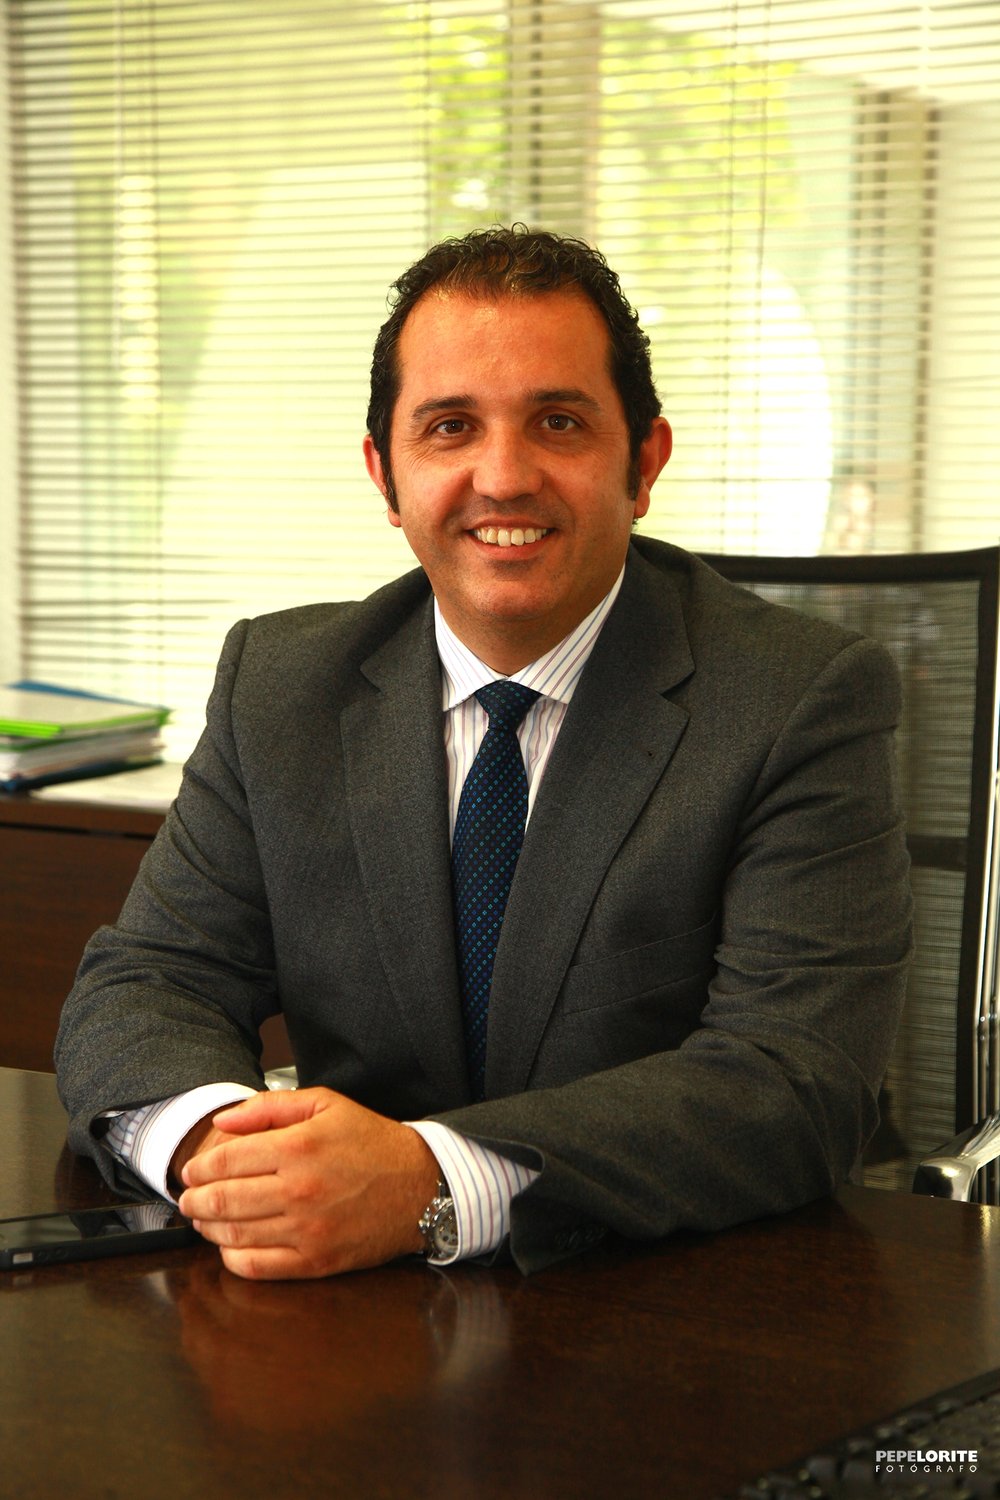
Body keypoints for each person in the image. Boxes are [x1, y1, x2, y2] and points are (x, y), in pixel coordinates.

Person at [55, 225, 913, 1281]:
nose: (502, 477)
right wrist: (224, 1154)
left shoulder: (798, 698)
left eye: (559, 422)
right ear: (386, 475)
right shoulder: (280, 686)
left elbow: (795, 1079)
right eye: (450, 427)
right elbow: (149, 981)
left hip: (679, 1298)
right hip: (347, 1310)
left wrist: (427, 1180)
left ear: (643, 463)